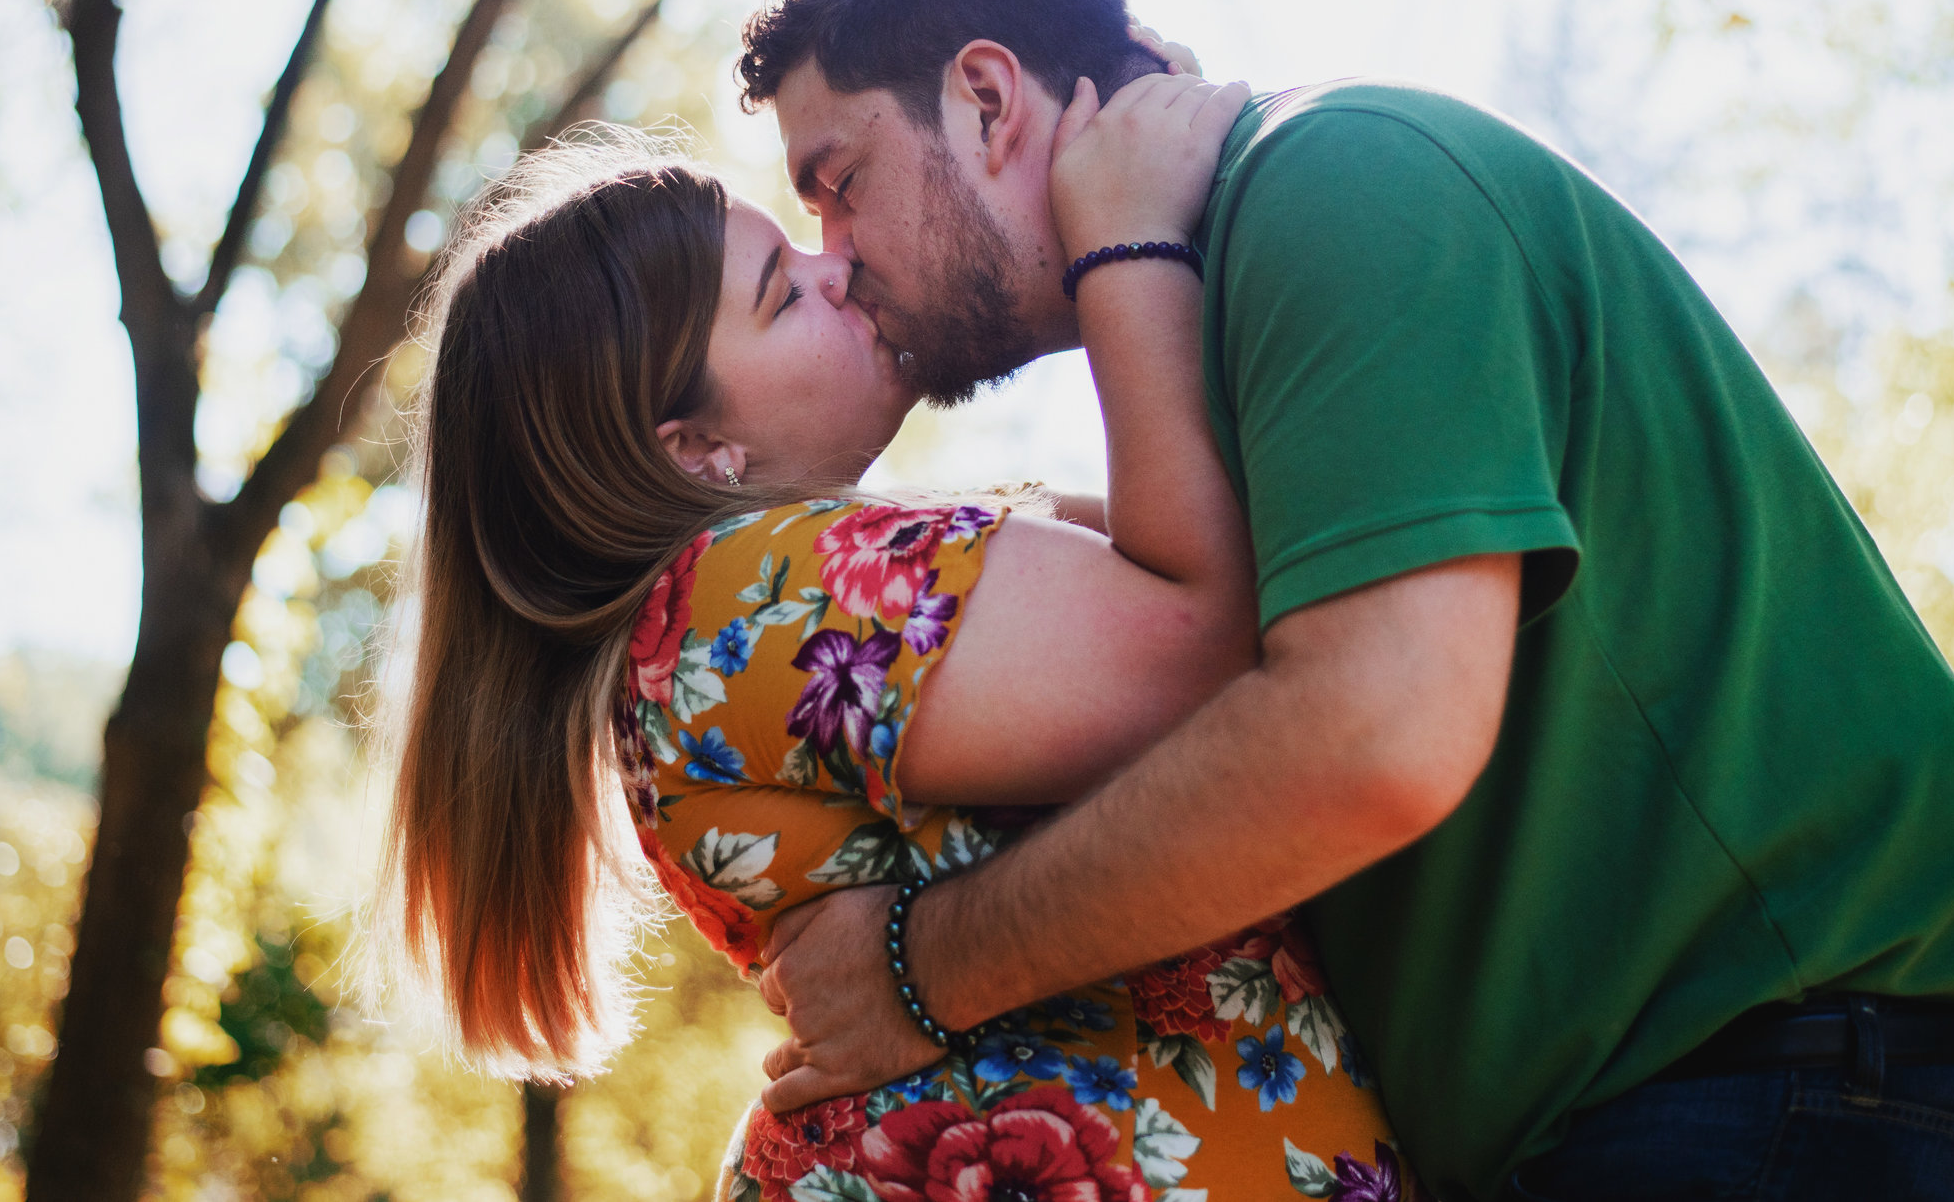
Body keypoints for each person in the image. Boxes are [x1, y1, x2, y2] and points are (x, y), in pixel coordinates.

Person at [733, 0, 1954, 1202]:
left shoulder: (1339, 181)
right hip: (1708, 1101)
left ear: (984, 97)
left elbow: (1374, 727)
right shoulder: (1218, 312)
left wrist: (927, 967)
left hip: (1812, 1078)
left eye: (838, 179)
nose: (836, 252)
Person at [373, 92, 1425, 1200]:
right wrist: (1127, 242)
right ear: (697, 450)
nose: (834, 268)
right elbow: (1206, 644)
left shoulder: (788, 585)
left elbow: (1243, 561)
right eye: (782, 295)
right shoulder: (747, 591)